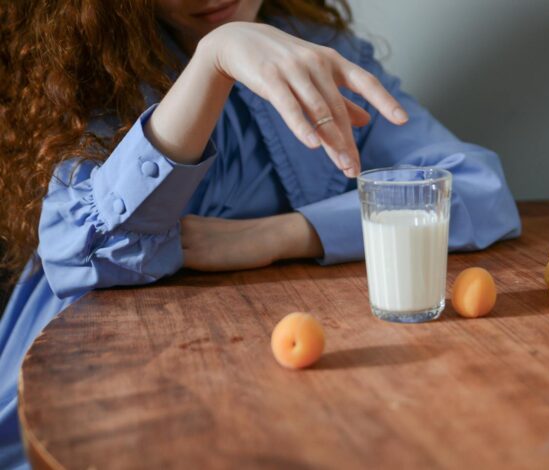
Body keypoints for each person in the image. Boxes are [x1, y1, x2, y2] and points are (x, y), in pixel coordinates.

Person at [0, 0, 521, 467]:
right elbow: (88, 255)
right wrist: (214, 61)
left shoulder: (316, 50)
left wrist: (280, 235)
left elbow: (476, 187)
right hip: (81, 395)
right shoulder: (100, 63)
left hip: (270, 381)